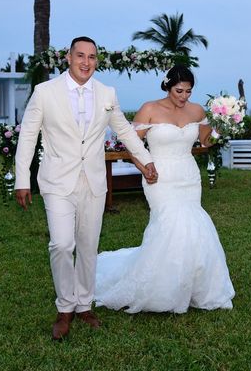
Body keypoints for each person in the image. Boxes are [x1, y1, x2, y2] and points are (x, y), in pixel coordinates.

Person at [14, 36, 158, 341]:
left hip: (93, 181)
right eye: (80, 55)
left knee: (88, 246)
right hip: (57, 181)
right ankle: (65, 307)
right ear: (68, 57)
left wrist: (145, 161)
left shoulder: (107, 93)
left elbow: (124, 131)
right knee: (62, 244)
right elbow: (27, 137)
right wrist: (22, 180)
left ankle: (83, 304)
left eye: (92, 57)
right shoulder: (44, 92)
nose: (86, 62)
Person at [95, 65, 235, 314]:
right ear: (167, 86)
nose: (184, 96)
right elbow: (131, 145)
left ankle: (192, 286)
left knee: (193, 226)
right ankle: (161, 289)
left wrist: (221, 127)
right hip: (158, 176)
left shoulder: (196, 110)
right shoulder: (150, 109)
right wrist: (144, 167)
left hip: (188, 176)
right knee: (170, 225)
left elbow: (205, 142)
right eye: (179, 90)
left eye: (189, 91)